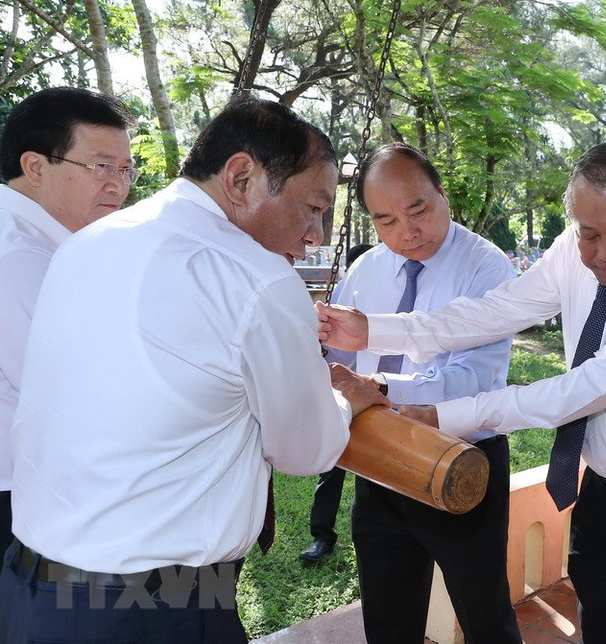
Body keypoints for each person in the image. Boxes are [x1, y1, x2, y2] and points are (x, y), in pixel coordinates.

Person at [0, 97, 387, 644]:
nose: (316, 234)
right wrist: (348, 399)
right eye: (312, 207)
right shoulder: (257, 279)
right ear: (242, 176)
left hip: (32, 586)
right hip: (152, 608)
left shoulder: (87, 244)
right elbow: (306, 449)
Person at [317, 141, 606, 644]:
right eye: (589, 234)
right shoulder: (572, 251)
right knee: (597, 615)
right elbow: (494, 312)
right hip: (600, 485)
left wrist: (442, 416)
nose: (604, 253)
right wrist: (373, 331)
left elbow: (578, 392)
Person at [318, 142, 521, 644]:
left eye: (418, 210)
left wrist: (381, 387)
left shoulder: (486, 268)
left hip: (460, 458)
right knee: (388, 617)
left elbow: (474, 375)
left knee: (485, 614)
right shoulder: (365, 271)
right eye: (385, 220)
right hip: (379, 462)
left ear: (441, 193)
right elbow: (336, 362)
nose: (406, 232)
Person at [0, 87, 137, 558]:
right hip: (17, 494)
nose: (118, 185)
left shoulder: (39, 242)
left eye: (124, 169)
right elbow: (78, 396)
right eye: (101, 167)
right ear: (36, 167)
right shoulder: (21, 256)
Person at [300, 242, 373, 564]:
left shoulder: (385, 311)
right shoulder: (339, 307)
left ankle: (371, 537)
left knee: (375, 475)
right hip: (342, 399)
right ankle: (322, 535)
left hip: (378, 402)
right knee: (331, 469)